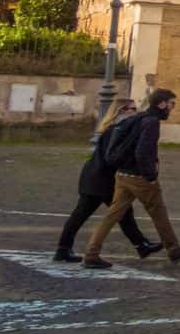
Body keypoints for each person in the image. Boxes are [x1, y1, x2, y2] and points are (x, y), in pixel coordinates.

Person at [82, 89, 180, 269]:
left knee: (113, 215)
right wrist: (150, 175)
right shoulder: (151, 122)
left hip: (122, 175)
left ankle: (91, 254)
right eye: (172, 104)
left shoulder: (138, 118)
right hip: (139, 177)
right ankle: (174, 249)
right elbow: (142, 152)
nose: (172, 108)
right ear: (162, 104)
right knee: (158, 212)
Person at [53, 101, 160, 262]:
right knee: (96, 213)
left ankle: (141, 245)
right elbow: (114, 157)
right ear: (122, 111)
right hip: (101, 178)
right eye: (133, 109)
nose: (136, 112)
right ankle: (140, 245)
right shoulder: (116, 129)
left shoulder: (116, 128)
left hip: (96, 175)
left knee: (117, 213)